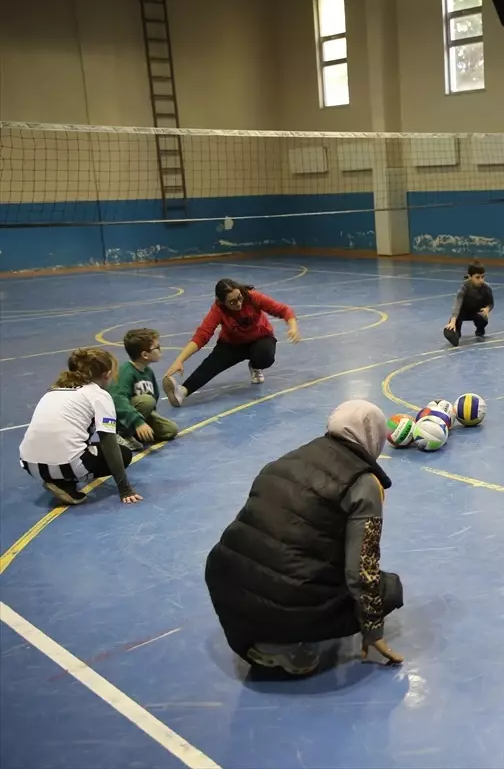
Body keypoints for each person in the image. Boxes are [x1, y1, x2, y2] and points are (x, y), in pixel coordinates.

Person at [204, 399, 405, 676]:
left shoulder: (291, 458)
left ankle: (264, 636)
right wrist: (373, 629)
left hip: (225, 578)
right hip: (286, 598)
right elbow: (362, 570)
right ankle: (281, 645)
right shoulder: (364, 483)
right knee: (388, 588)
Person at [19, 347, 140, 505]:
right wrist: (125, 489)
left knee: (74, 444)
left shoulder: (53, 390)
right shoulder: (99, 396)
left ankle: (60, 482)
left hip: (30, 465)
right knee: (123, 453)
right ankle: (66, 482)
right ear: (107, 374)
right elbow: (108, 443)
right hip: (68, 464)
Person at [162, 278, 299, 407]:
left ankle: (255, 366)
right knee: (210, 365)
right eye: (232, 302)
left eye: (239, 298)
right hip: (232, 344)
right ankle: (182, 391)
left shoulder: (252, 297)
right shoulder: (218, 309)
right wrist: (180, 359)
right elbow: (202, 335)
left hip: (260, 339)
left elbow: (283, 309)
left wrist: (292, 327)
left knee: (265, 356)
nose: (239, 303)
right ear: (222, 302)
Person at [108, 328, 178, 447]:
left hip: (139, 413)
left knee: (170, 430)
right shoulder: (126, 371)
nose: (160, 350)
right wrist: (138, 422)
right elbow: (117, 400)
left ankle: (135, 432)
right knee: (146, 400)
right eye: (157, 348)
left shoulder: (148, 371)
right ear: (145, 355)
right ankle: (121, 434)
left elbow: (154, 396)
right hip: (122, 417)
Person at [444, 262, 494, 347]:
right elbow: (457, 304)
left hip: (477, 312)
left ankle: (480, 329)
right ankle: (456, 334)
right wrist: (452, 322)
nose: (481, 280)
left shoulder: (486, 288)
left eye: (483, 277)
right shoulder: (464, 288)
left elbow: (491, 303)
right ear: (470, 277)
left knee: (483, 319)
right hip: (463, 312)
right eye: (477, 277)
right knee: (451, 329)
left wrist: (487, 309)